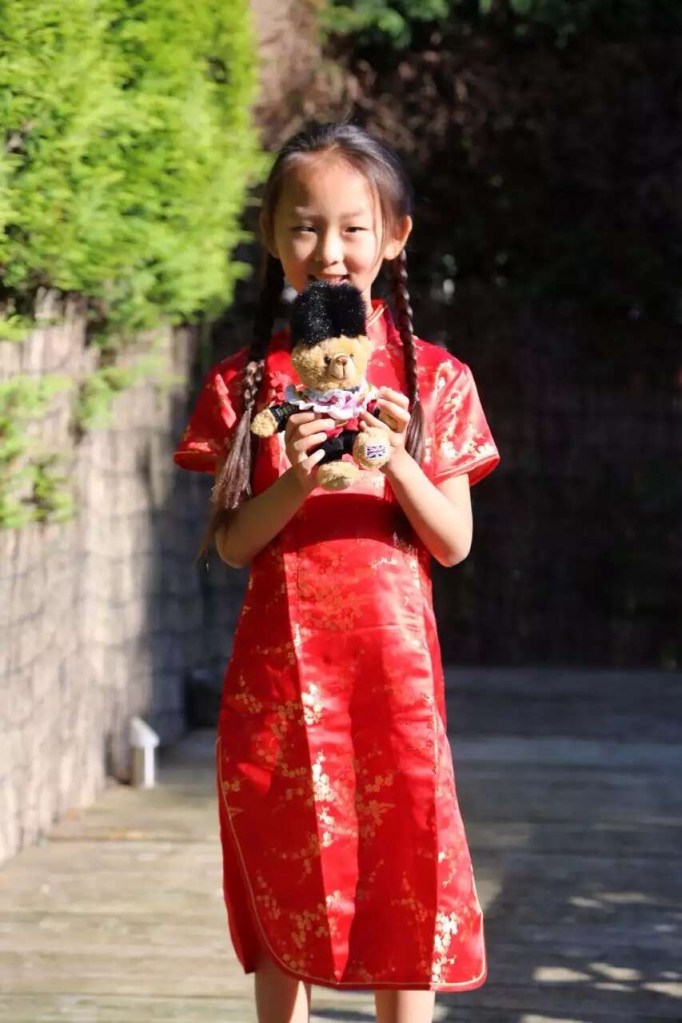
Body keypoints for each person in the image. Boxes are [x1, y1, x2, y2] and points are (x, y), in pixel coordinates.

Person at [174, 122, 500, 1023]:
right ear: (272, 236)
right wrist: (301, 480)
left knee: (405, 866)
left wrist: (394, 458)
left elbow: (452, 542)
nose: (329, 251)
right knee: (283, 863)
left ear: (395, 236)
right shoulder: (247, 385)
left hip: (394, 680)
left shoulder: (436, 379)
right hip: (278, 675)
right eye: (305, 226)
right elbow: (233, 544)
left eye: (354, 227)